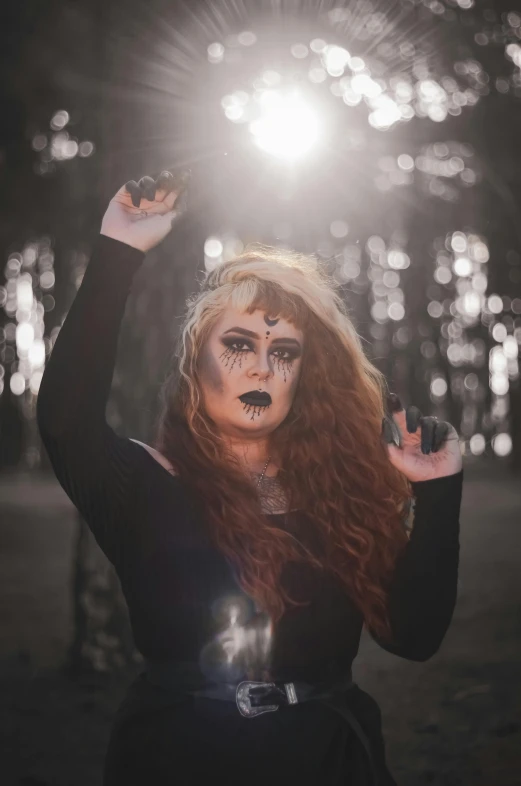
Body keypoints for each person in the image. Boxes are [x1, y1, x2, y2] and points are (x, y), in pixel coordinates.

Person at [36, 170, 464, 785]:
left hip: (328, 762)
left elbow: (416, 636)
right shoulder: (142, 487)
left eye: (284, 352)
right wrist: (118, 250)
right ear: (195, 361)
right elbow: (65, 420)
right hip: (175, 760)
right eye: (239, 343)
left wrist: (438, 490)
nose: (263, 367)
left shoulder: (339, 494)